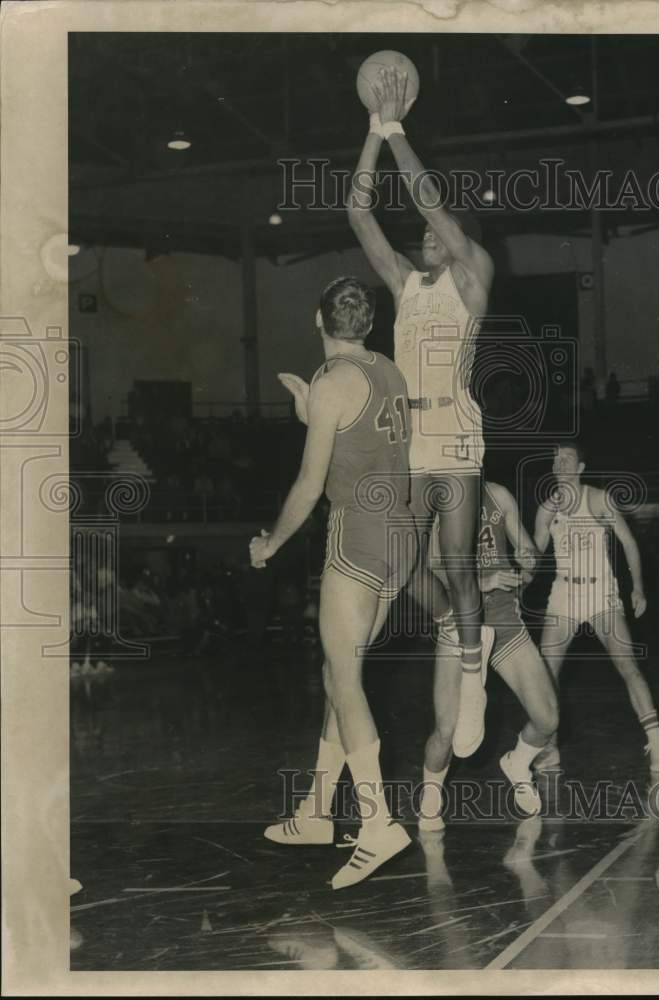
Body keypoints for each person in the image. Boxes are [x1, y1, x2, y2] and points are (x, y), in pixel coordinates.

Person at [345, 66, 495, 758]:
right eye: (427, 234)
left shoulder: (473, 275)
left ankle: (473, 683)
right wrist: (373, 133)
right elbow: (357, 214)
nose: (429, 234)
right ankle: (459, 633)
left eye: (440, 231)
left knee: (460, 565)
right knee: (403, 567)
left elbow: (430, 204)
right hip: (408, 435)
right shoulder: (405, 285)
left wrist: (400, 129)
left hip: (456, 433)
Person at [250, 276, 417, 889]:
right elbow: (366, 439)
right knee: (337, 674)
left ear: (317, 318)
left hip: (358, 533)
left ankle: (377, 826)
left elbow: (310, 486)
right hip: (401, 531)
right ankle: (317, 812)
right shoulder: (389, 371)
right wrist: (312, 415)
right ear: (369, 323)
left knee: (344, 678)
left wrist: (269, 543)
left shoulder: (329, 383)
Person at [418, 481, 559, 827]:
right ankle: (431, 794)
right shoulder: (439, 500)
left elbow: (529, 554)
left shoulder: (498, 495)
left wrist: (528, 564)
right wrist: (485, 580)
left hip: (504, 621)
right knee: (447, 730)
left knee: (547, 719)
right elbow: (430, 573)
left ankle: (518, 762)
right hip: (458, 623)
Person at [533, 441, 659, 773]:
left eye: (568, 459)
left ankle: (657, 745)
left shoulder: (598, 499)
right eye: (557, 460)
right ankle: (549, 748)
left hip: (600, 594)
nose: (561, 464)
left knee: (628, 667)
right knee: (544, 673)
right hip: (564, 595)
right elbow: (534, 555)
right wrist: (517, 578)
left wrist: (637, 587)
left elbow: (629, 543)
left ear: (580, 468)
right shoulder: (546, 508)